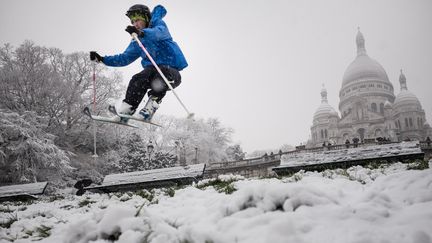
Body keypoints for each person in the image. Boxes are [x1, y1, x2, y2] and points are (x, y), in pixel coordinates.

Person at [90, 4, 188, 121]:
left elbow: (158, 33)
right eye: (133, 22)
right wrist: (102, 59)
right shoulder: (137, 41)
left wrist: (142, 33)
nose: (135, 24)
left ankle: (150, 108)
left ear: (146, 18)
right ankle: (127, 109)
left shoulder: (158, 25)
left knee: (161, 73)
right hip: (151, 73)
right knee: (138, 78)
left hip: (171, 73)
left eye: (137, 20)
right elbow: (124, 58)